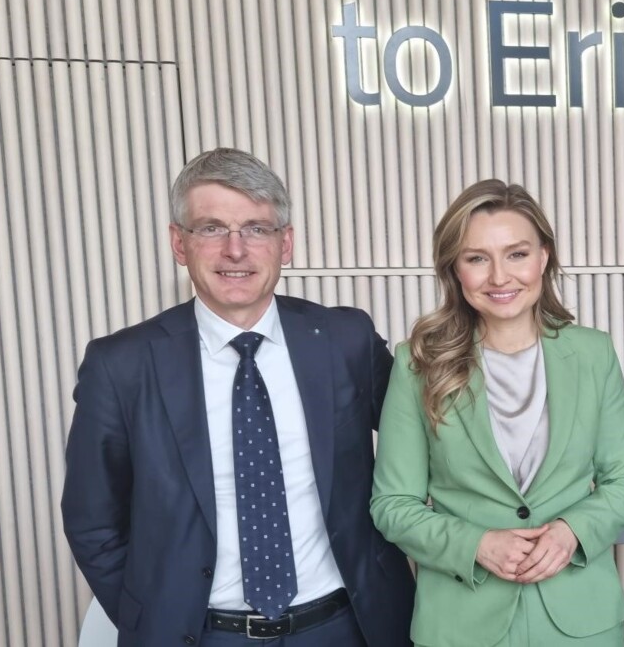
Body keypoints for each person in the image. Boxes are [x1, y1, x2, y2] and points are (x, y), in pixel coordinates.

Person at [61, 148, 414, 646]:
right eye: (210, 228)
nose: (235, 250)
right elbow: (91, 519)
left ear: (285, 243)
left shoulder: (344, 339)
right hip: (201, 635)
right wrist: (154, 616)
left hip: (346, 626)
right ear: (178, 243)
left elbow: (429, 442)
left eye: (256, 228)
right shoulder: (121, 365)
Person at [371, 179, 624, 647]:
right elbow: (392, 505)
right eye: (477, 258)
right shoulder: (418, 363)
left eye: (516, 254)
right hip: (461, 623)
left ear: (544, 257)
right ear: (455, 270)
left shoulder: (594, 354)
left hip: (581, 622)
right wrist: (476, 544)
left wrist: (571, 532)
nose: (500, 277)